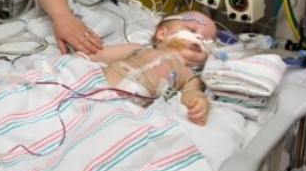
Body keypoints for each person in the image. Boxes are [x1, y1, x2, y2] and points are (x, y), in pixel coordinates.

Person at [84, 10, 216, 125]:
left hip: (124, 108)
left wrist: (198, 102)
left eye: (207, 41)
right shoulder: (138, 49)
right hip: (95, 85)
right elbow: (98, 55)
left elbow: (192, 93)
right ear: (162, 34)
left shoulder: (188, 76)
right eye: (192, 30)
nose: (199, 38)